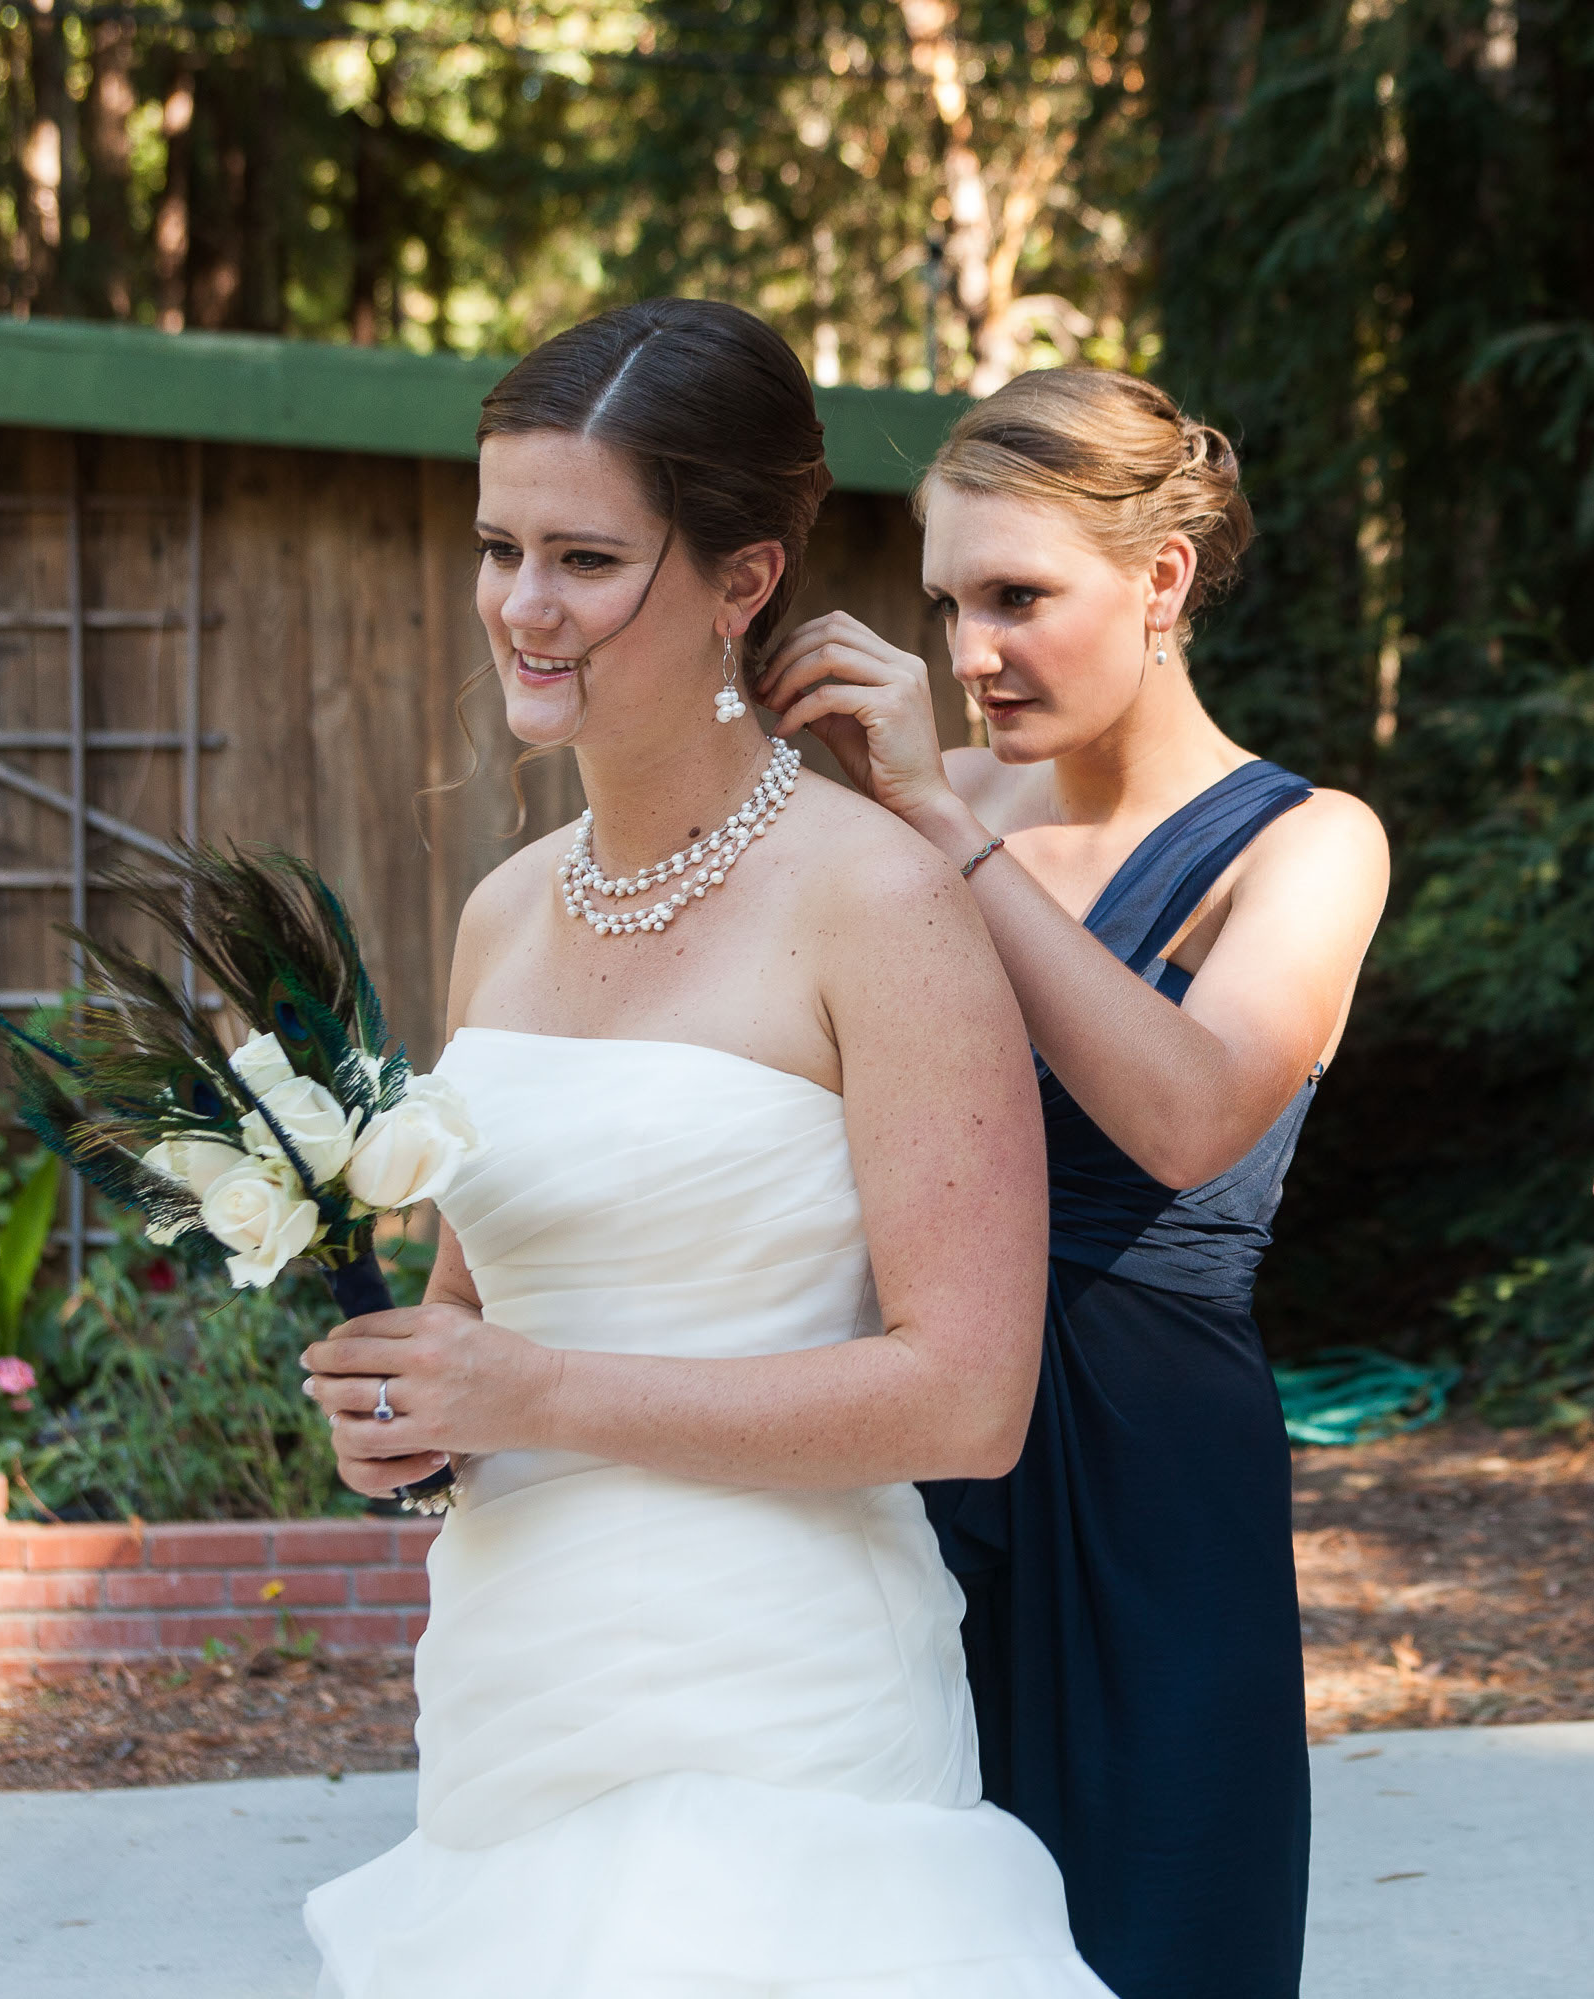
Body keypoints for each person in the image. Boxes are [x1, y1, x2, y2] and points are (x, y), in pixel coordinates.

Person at [294, 300, 1111, 1998]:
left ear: (744, 582)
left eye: (588, 558)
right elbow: (483, 1312)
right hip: (515, 1688)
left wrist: (535, 1395)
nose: (524, 604)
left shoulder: (872, 900)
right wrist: (409, 1418)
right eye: (500, 546)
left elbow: (970, 1398)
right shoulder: (503, 914)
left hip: (782, 1704)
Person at [755, 368, 1390, 1999]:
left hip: (1152, 1467)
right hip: (916, 1427)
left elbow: (1187, 1117)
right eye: (951, 602)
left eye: (1019, 597)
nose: (971, 654)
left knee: (1165, 1927)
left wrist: (936, 835)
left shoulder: (1307, 844)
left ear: (1161, 581)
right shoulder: (933, 804)